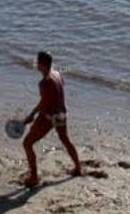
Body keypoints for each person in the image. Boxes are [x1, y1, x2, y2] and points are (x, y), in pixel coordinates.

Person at [19, 50, 83, 187]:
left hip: (49, 115)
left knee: (27, 143)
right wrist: (33, 114)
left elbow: (45, 103)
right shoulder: (57, 74)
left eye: (37, 61)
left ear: (41, 64)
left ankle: (34, 177)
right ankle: (78, 168)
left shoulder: (44, 82)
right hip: (62, 112)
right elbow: (53, 95)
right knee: (65, 140)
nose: (36, 64)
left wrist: (32, 116)